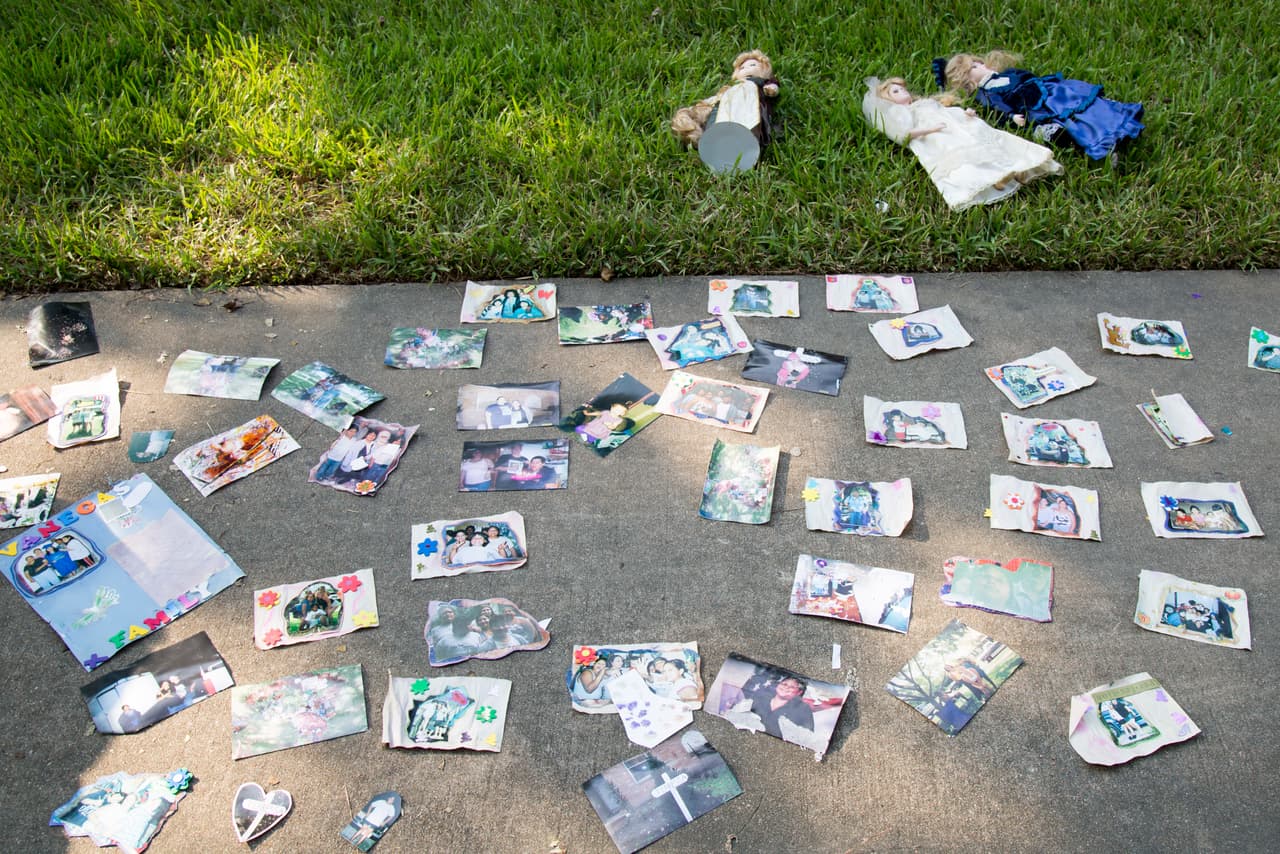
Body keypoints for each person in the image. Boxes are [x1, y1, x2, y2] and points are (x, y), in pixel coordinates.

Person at [863, 76, 1062, 211]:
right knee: (962, 156)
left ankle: (1014, 168)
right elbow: (904, 135)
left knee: (986, 139)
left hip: (957, 124)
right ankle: (996, 178)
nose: (903, 92)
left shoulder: (923, 103)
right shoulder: (904, 114)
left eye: (901, 89)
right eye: (896, 92)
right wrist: (930, 130)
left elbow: (947, 112)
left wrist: (965, 113)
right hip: (939, 135)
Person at [941, 51, 1144, 161]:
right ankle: (1101, 149)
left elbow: (1026, 76)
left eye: (978, 63)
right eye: (973, 69)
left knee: (1082, 103)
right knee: (1068, 123)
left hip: (1051, 92)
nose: (980, 67)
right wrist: (1011, 118)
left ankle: (1116, 115)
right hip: (1033, 108)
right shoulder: (985, 94)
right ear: (967, 80)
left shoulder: (1006, 74)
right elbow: (997, 110)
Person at [671, 50, 780, 150]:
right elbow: (718, 98)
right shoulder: (731, 89)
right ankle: (713, 142)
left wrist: (771, 89)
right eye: (742, 68)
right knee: (717, 121)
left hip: (749, 110)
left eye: (753, 65)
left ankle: (744, 144)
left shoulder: (758, 85)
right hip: (722, 112)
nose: (746, 69)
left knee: (747, 124)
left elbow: (773, 89)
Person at [742, 674, 815, 738]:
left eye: (792, 687)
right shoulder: (760, 698)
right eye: (784, 684)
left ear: (799, 692)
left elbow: (807, 735)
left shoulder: (802, 710)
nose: (786, 687)